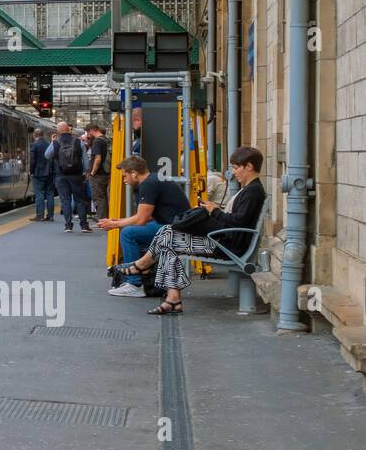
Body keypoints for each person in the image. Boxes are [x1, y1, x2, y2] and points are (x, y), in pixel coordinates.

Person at [110, 147, 268, 314]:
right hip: (225, 241)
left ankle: (144, 267)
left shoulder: (252, 191)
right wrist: (213, 211)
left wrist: (214, 211)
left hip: (227, 246)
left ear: (249, 166)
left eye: (236, 167)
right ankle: (171, 298)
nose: (233, 172)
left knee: (168, 234)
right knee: (168, 235)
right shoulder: (251, 189)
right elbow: (238, 220)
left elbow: (238, 221)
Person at [98, 155, 191, 296]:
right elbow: (148, 217)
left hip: (176, 230)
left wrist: (114, 225)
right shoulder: (153, 180)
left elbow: (141, 219)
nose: (124, 180)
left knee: (128, 234)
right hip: (175, 226)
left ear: (134, 173)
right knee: (131, 231)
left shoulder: (149, 184)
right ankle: (145, 274)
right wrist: (116, 221)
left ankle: (134, 284)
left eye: (125, 176)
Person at [45, 122, 91, 233]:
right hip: (76, 175)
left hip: (60, 176)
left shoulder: (56, 143)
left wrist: (53, 142)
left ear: (58, 131)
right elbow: (85, 160)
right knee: (79, 200)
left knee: (65, 200)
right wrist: (87, 172)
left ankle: (68, 225)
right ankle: (84, 225)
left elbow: (47, 155)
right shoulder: (78, 142)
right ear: (68, 130)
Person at [28, 127, 55, 221]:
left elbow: (33, 160)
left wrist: (31, 171)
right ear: (42, 135)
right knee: (50, 194)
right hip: (50, 172)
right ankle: (50, 216)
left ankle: (40, 215)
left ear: (34, 135)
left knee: (39, 194)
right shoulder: (48, 144)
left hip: (38, 173)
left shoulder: (34, 145)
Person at [85, 124, 111, 220]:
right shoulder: (106, 139)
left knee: (99, 198)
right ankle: (104, 218)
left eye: (88, 132)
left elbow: (98, 158)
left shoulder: (97, 141)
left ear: (92, 130)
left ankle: (102, 220)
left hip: (98, 174)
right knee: (104, 197)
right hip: (106, 172)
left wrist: (92, 173)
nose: (88, 135)